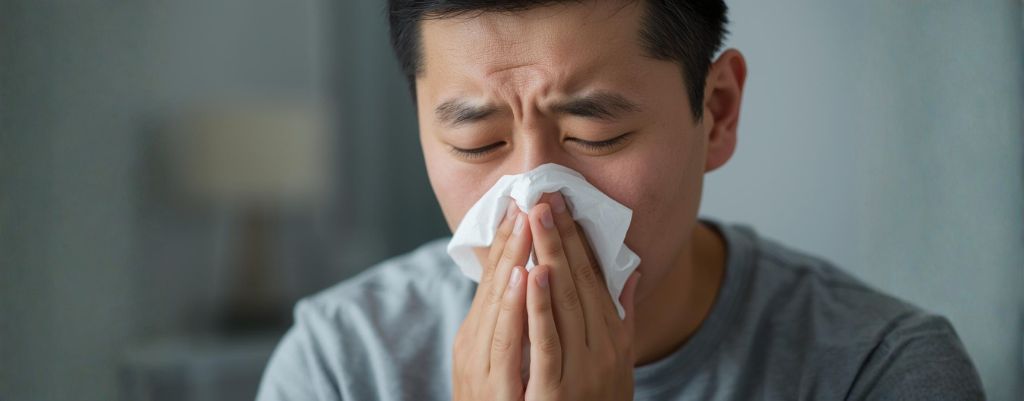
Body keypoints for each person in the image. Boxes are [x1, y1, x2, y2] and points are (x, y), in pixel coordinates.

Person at [256, 1, 985, 399]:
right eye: (478, 143)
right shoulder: (339, 369)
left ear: (719, 112)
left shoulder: (881, 371)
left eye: (594, 132)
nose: (536, 205)